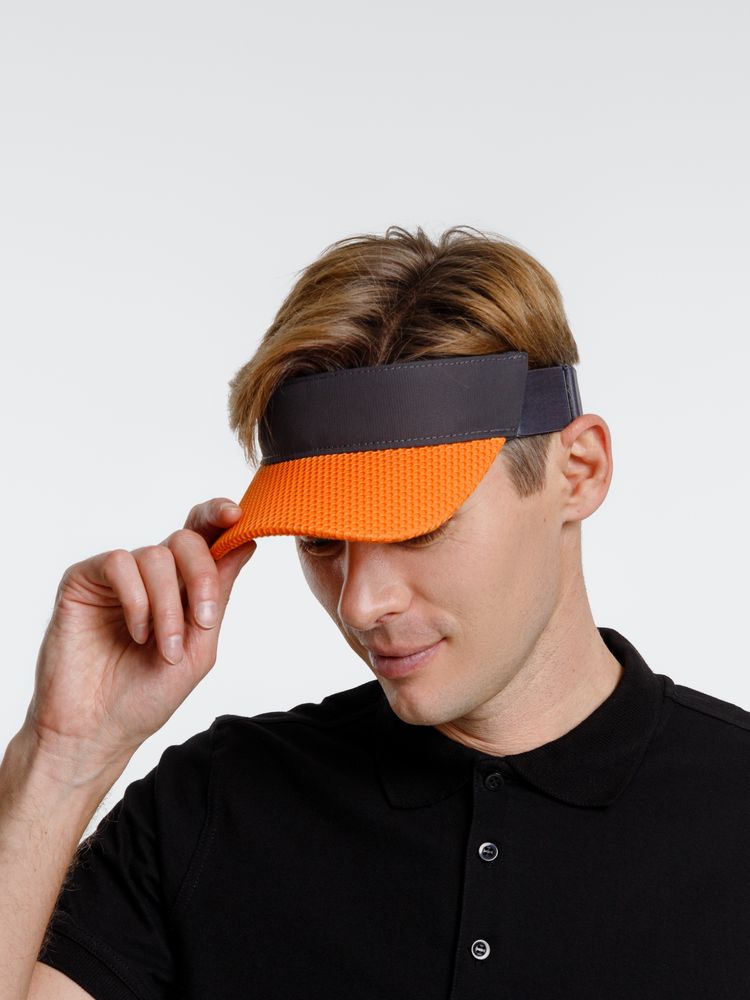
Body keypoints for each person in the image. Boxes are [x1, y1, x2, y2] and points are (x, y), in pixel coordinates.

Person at [2, 225, 749, 999]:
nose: (360, 602)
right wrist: (60, 759)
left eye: (416, 527)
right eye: (321, 539)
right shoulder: (213, 808)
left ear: (579, 471)